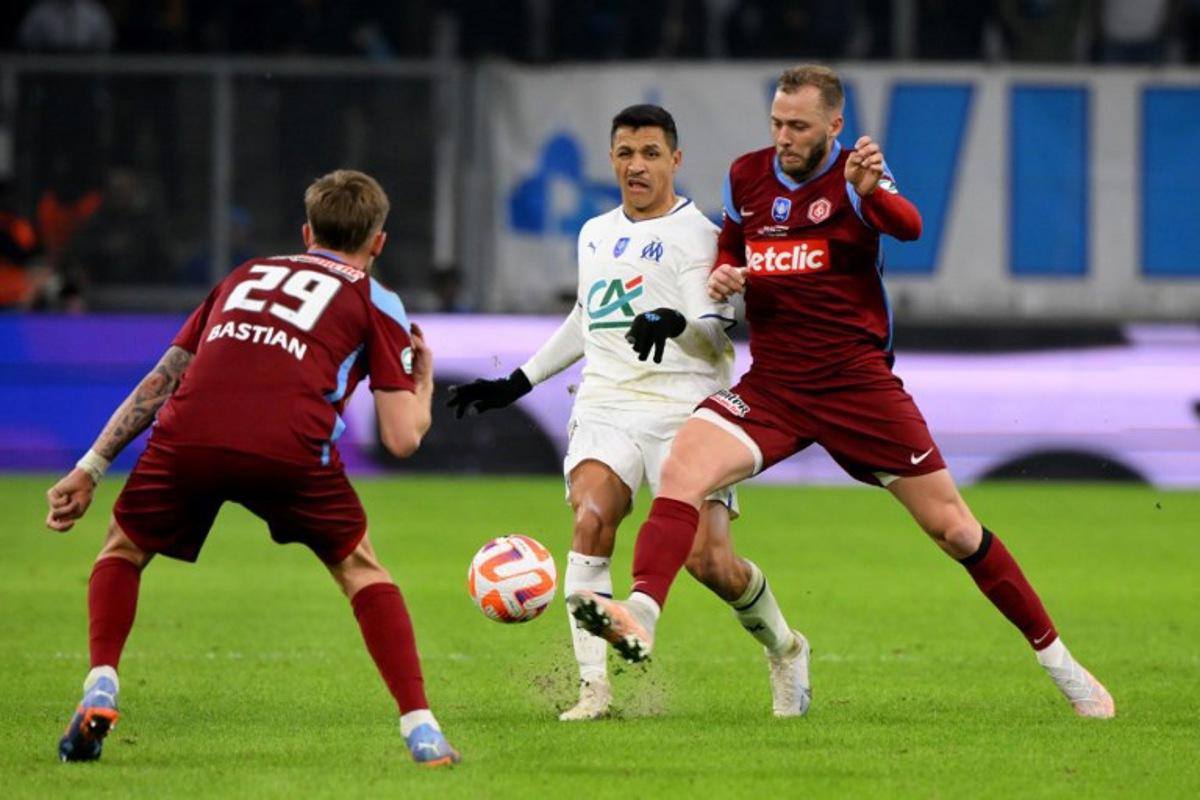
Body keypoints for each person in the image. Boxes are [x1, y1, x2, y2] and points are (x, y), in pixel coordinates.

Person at [569, 65, 1115, 720]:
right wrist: (723, 276)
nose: (784, 137)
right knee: (686, 466)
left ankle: (1064, 667)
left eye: (798, 126)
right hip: (774, 386)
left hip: (857, 387)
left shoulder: (857, 176)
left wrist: (873, 193)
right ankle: (641, 613)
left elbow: (909, 226)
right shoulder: (748, 176)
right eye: (776, 122)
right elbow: (733, 247)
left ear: (834, 124)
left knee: (954, 530)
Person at [45, 169, 462, 766]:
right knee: (362, 570)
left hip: (189, 434)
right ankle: (421, 729)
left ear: (306, 230)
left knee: (122, 549)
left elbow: (164, 378)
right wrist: (422, 384)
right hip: (288, 447)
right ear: (379, 243)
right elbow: (401, 439)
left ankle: (101, 681)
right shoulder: (378, 300)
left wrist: (91, 465)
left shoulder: (244, 274)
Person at [447, 105, 810, 721]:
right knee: (591, 517)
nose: (635, 166)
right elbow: (590, 316)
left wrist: (675, 324)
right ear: (611, 158)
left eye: (649, 153)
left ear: (675, 159)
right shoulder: (593, 232)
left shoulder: (702, 233)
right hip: (607, 401)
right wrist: (518, 380)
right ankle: (595, 690)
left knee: (708, 562)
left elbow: (716, 330)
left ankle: (786, 648)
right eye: (624, 153)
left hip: (688, 408)